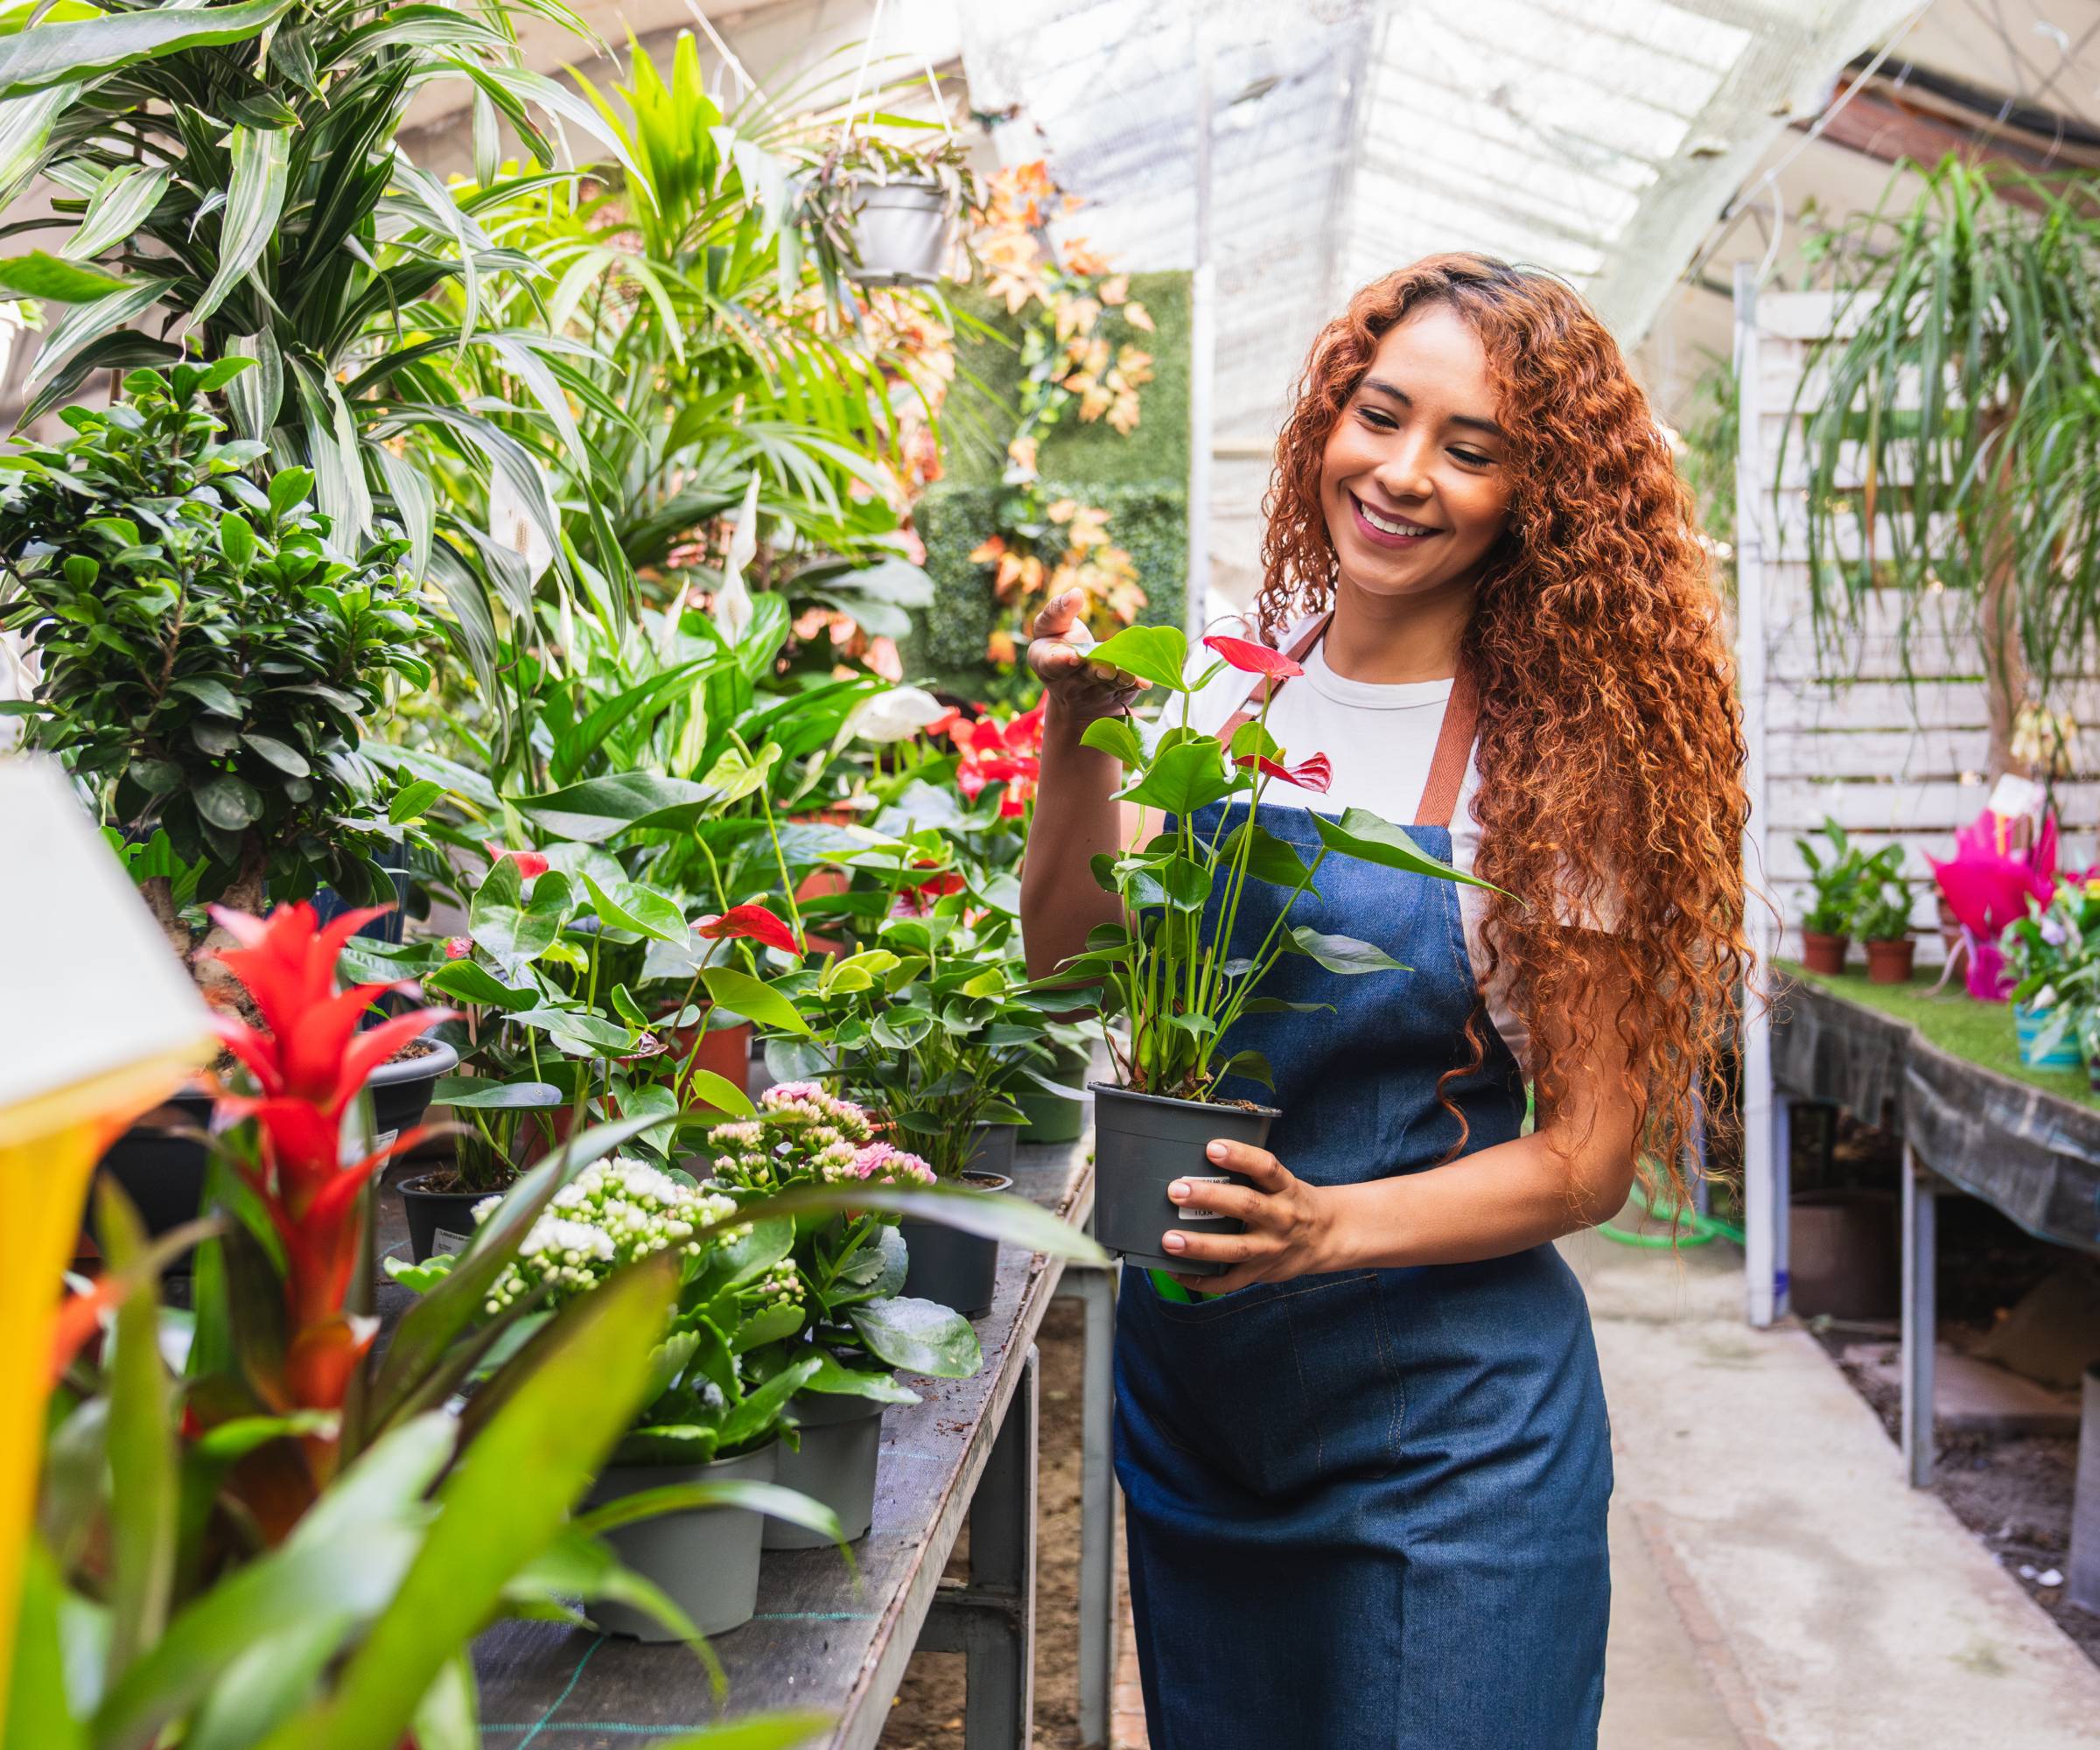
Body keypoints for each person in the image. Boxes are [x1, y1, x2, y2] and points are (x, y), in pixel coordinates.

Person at [1018, 253, 1749, 1749]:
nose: (1404, 474)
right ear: (1327, 424)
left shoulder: (1555, 777)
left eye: (1471, 451)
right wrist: (1078, 742)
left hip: (1449, 1446)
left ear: (1533, 498)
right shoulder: (1227, 699)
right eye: (1381, 415)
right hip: (1203, 1413)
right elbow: (1070, 961)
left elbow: (1589, 1152)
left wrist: (1322, 1229)